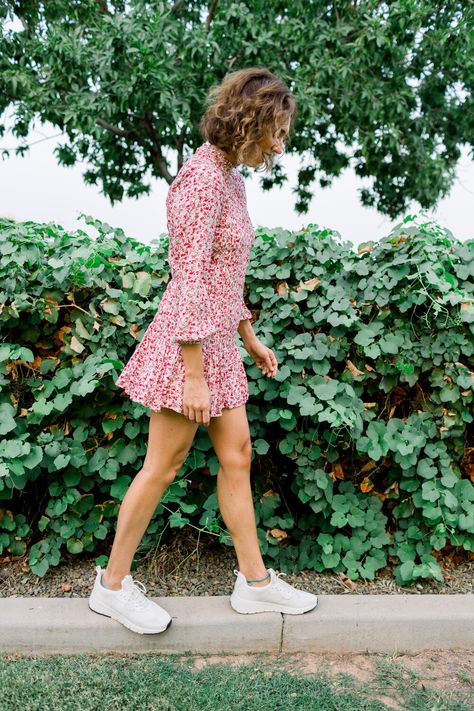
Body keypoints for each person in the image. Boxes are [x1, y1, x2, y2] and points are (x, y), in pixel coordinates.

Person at [88, 67, 318, 635]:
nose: (281, 144)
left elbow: (224, 277)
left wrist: (249, 336)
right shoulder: (201, 180)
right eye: (278, 131)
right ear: (252, 121)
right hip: (186, 346)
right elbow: (189, 279)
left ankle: (254, 584)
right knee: (162, 467)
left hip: (217, 341)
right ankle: (111, 587)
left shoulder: (233, 179)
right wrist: (193, 374)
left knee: (237, 455)